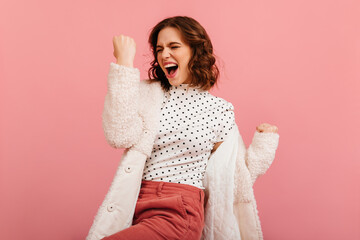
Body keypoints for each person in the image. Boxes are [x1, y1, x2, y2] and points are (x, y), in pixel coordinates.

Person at [87, 16, 279, 240]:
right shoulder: (148, 95)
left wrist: (265, 143)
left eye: (174, 46)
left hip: (180, 210)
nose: (164, 54)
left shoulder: (218, 110)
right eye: (159, 49)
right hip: (135, 203)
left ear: (195, 51)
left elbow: (236, 179)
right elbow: (120, 136)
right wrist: (124, 63)